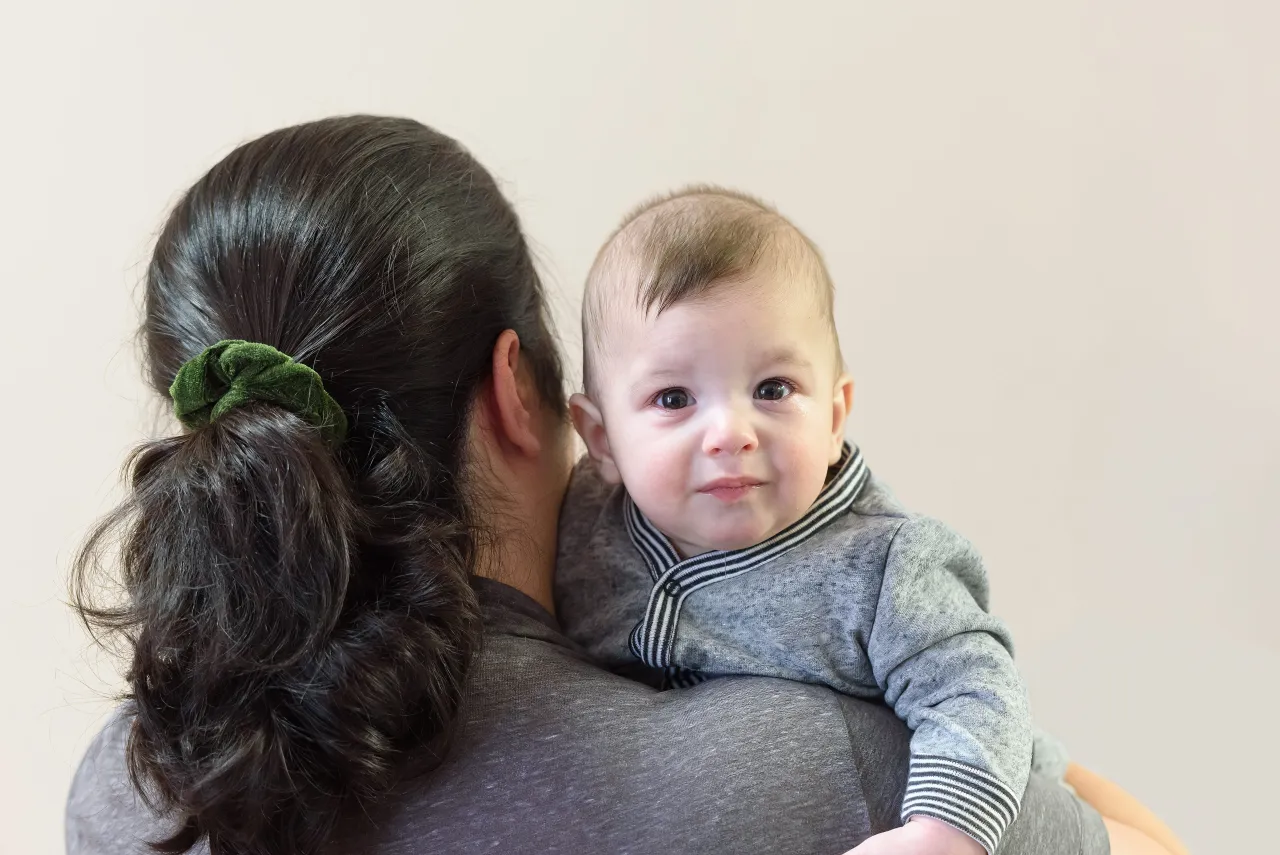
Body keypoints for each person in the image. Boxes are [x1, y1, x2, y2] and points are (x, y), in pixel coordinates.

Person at [66, 115, 1176, 855]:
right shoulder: (827, 771)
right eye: (671, 399)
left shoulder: (133, 790)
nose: (724, 436)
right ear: (522, 391)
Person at [559, 187, 1187, 855]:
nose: (730, 433)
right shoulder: (585, 522)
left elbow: (976, 693)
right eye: (673, 398)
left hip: (991, 788)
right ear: (601, 439)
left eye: (773, 389)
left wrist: (941, 834)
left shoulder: (884, 565)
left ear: (834, 417)